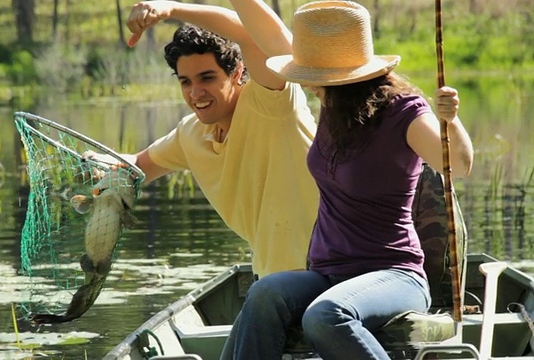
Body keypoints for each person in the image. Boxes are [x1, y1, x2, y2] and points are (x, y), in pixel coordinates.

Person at [219, 1, 475, 359]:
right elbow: (269, 35)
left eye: (314, 77)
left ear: (345, 80)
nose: (307, 85)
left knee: (325, 316)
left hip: (395, 275)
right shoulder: (333, 104)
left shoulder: (404, 112)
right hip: (328, 275)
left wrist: (452, 120)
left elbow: (458, 165)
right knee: (264, 293)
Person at [87, 1, 318, 278]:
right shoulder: (191, 134)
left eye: (206, 78)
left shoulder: (271, 101)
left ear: (236, 73)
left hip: (327, 272)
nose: (196, 93)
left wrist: (171, 8)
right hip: (270, 281)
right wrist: (102, 161)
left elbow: (251, 33)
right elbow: (138, 165)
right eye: (186, 82)